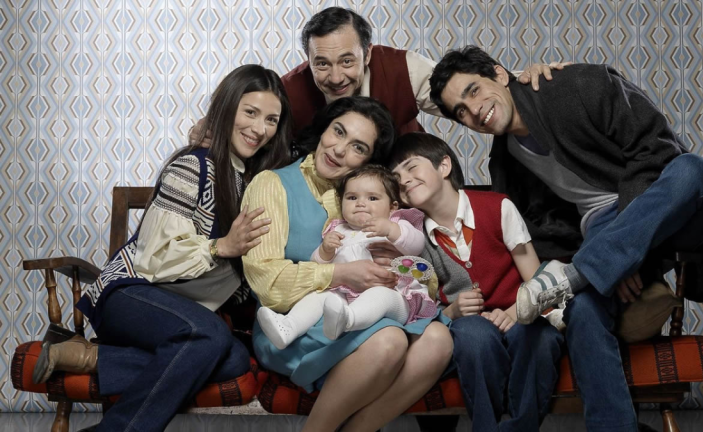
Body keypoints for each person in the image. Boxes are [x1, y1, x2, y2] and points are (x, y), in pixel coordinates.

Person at [428, 46, 703, 431]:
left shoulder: (577, 84)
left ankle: (578, 275)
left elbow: (656, 149)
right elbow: (537, 233)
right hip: (601, 235)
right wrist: (613, 259)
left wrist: (621, 254)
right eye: (461, 112)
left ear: (500, 74)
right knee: (583, 310)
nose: (474, 111)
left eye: (473, 91)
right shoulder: (505, 162)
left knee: (694, 168)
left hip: (665, 210)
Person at [32, 64, 293, 432]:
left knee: (234, 361)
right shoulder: (193, 166)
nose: (259, 128)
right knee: (210, 336)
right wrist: (221, 247)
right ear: (226, 108)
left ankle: (90, 357)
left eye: (271, 120)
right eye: (250, 112)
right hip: (131, 293)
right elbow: (156, 258)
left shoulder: (253, 181)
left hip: (183, 311)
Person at [241, 96, 453, 432]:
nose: (339, 150)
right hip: (297, 321)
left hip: (371, 310)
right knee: (389, 342)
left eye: (358, 147)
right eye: (338, 132)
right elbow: (267, 284)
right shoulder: (272, 184)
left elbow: (416, 258)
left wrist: (395, 261)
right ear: (324, 129)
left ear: (368, 160)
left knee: (439, 340)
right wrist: (342, 273)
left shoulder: (369, 200)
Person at [389, 132, 564, 431]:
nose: (403, 180)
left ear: (444, 166)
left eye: (411, 167)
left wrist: (513, 313)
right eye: (396, 178)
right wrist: (452, 312)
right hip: (467, 328)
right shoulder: (411, 238)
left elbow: (538, 283)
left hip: (521, 314)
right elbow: (419, 307)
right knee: (474, 335)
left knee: (541, 338)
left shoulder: (498, 207)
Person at [189, 7, 566, 142]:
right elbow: (254, 130)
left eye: (347, 61)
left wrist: (523, 78)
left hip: (407, 184)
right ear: (307, 59)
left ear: (368, 53)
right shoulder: (287, 92)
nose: (335, 76)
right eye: (322, 64)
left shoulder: (404, 67)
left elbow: (468, 95)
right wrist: (216, 127)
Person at [256, 164, 437, 348]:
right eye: (352, 197)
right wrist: (325, 251)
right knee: (319, 295)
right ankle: (289, 327)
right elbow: (317, 264)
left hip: (395, 294)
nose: (360, 203)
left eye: (372, 198)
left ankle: (348, 319)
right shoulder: (337, 229)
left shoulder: (396, 223)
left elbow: (417, 245)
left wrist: (392, 230)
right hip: (345, 293)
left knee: (380, 295)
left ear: (392, 207)